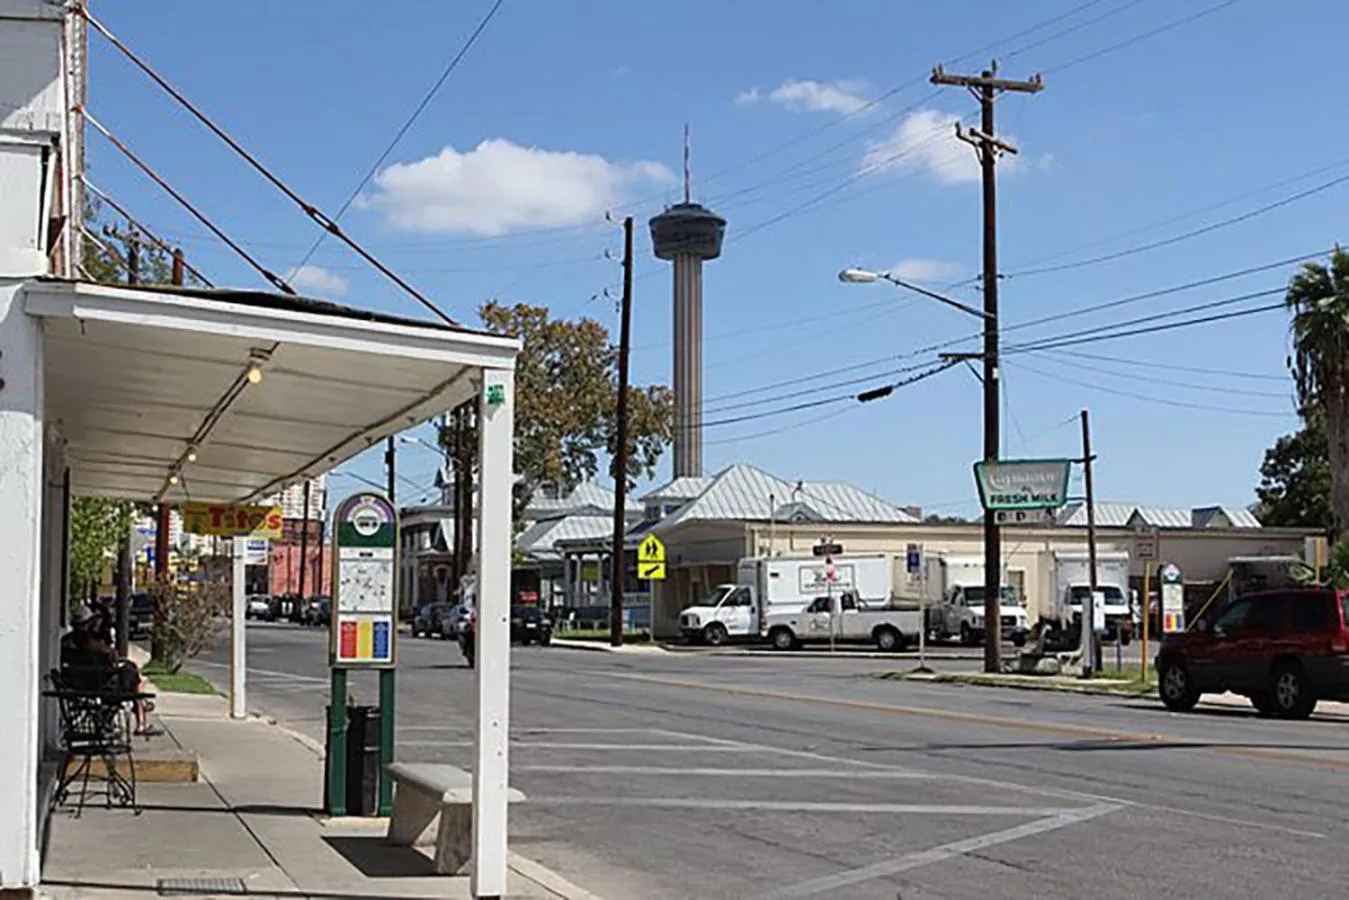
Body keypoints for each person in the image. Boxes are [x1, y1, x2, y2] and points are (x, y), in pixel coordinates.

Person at [64, 605, 159, 736]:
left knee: (132, 674)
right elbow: (111, 658)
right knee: (135, 678)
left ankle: (138, 708)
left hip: (75, 684)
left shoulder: (66, 641)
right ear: (89, 622)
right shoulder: (92, 644)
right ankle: (141, 720)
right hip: (100, 685)